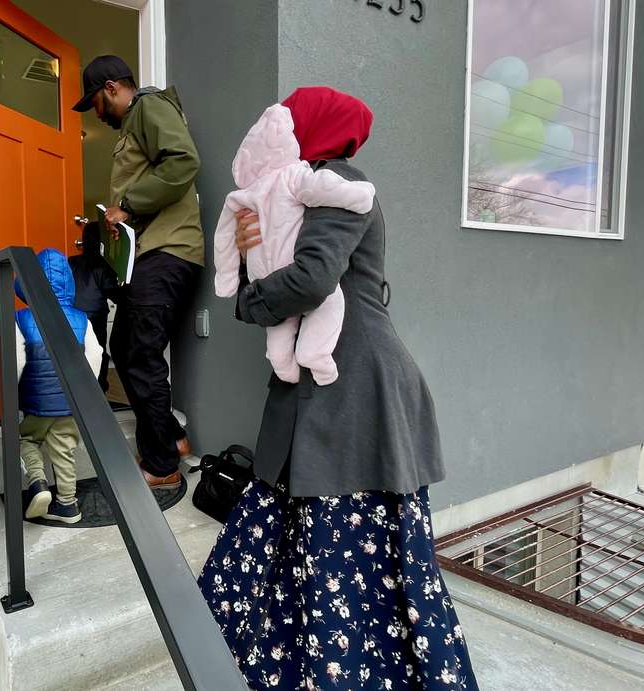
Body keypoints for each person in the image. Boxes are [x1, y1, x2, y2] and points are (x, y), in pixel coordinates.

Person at [198, 87, 478, 690]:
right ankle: (292, 665)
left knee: (344, 545)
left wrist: (246, 300)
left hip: (356, 385)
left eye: (289, 119)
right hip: (326, 380)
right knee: (302, 533)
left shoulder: (338, 179)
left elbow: (311, 279)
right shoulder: (293, 190)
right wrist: (250, 255)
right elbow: (288, 276)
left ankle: (345, 672)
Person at [73, 55, 202, 488]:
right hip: (150, 254)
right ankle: (174, 438)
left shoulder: (148, 107)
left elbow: (183, 161)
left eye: (94, 101)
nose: (95, 112)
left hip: (168, 251)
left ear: (111, 88)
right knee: (127, 346)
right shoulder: (133, 125)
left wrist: (126, 206)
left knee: (140, 355)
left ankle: (162, 466)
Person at [211, 102, 377, 386]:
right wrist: (243, 256)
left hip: (348, 363)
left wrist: (249, 301)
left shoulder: (332, 179)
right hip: (326, 364)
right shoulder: (279, 186)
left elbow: (311, 280)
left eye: (295, 120)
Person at [15, 249, 103, 525]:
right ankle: (68, 505)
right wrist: (85, 391)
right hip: (72, 399)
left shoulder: (23, 318)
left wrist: (21, 389)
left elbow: (18, 360)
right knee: (64, 446)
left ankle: (39, 483)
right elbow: (96, 354)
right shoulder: (81, 319)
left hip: (37, 400)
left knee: (26, 439)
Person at [68, 220, 117, 392]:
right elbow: (116, 294)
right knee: (97, 355)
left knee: (72, 358)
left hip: (69, 316)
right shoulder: (102, 266)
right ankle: (98, 391)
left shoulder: (70, 262)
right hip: (94, 318)